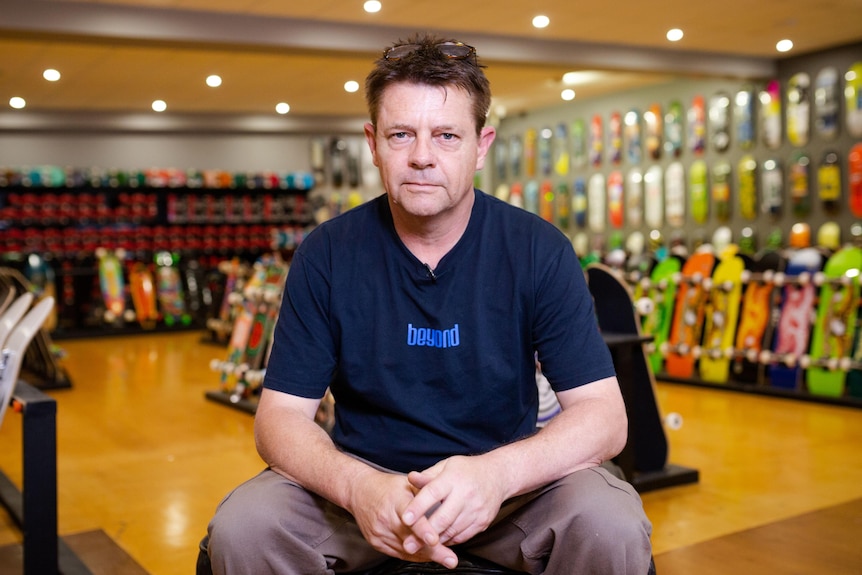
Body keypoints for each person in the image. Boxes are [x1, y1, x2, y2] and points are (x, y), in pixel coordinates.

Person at [206, 32, 653, 574]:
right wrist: (360, 487)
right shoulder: (326, 253)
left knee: (610, 520)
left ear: (481, 146)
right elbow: (278, 420)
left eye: (446, 135)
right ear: (373, 143)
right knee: (246, 526)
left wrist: (496, 476)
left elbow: (604, 417)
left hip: (508, 493)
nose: (421, 157)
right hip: (363, 491)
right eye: (401, 135)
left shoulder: (538, 249)